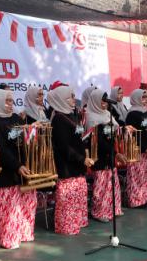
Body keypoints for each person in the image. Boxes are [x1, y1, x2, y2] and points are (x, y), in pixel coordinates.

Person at [0, 89, 37, 248]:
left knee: (27, 203)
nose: (10, 104)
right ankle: (9, 238)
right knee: (10, 206)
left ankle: (25, 232)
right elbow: (0, 150)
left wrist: (32, 129)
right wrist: (16, 165)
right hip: (7, 171)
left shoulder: (15, 117)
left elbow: (25, 139)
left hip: (24, 168)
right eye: (6, 101)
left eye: (11, 100)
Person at [49, 85, 93, 234]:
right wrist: (81, 159)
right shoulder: (58, 119)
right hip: (67, 166)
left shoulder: (72, 115)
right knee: (68, 199)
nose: (74, 100)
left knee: (78, 197)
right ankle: (66, 226)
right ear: (61, 99)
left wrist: (85, 152)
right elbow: (64, 147)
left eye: (74, 96)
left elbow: (79, 138)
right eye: (70, 97)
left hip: (78, 164)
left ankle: (77, 222)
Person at [85, 89, 124, 222]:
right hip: (100, 155)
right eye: (102, 100)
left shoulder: (108, 114)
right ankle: (100, 211)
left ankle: (114, 208)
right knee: (102, 185)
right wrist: (115, 152)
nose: (104, 103)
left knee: (113, 182)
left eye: (106, 100)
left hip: (111, 153)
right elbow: (97, 140)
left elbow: (116, 131)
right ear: (95, 100)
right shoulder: (91, 117)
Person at [125, 89, 147, 207]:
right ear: (136, 98)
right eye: (143, 97)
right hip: (136, 150)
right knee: (136, 176)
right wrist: (145, 148)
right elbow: (132, 134)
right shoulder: (132, 114)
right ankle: (136, 201)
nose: (146, 100)